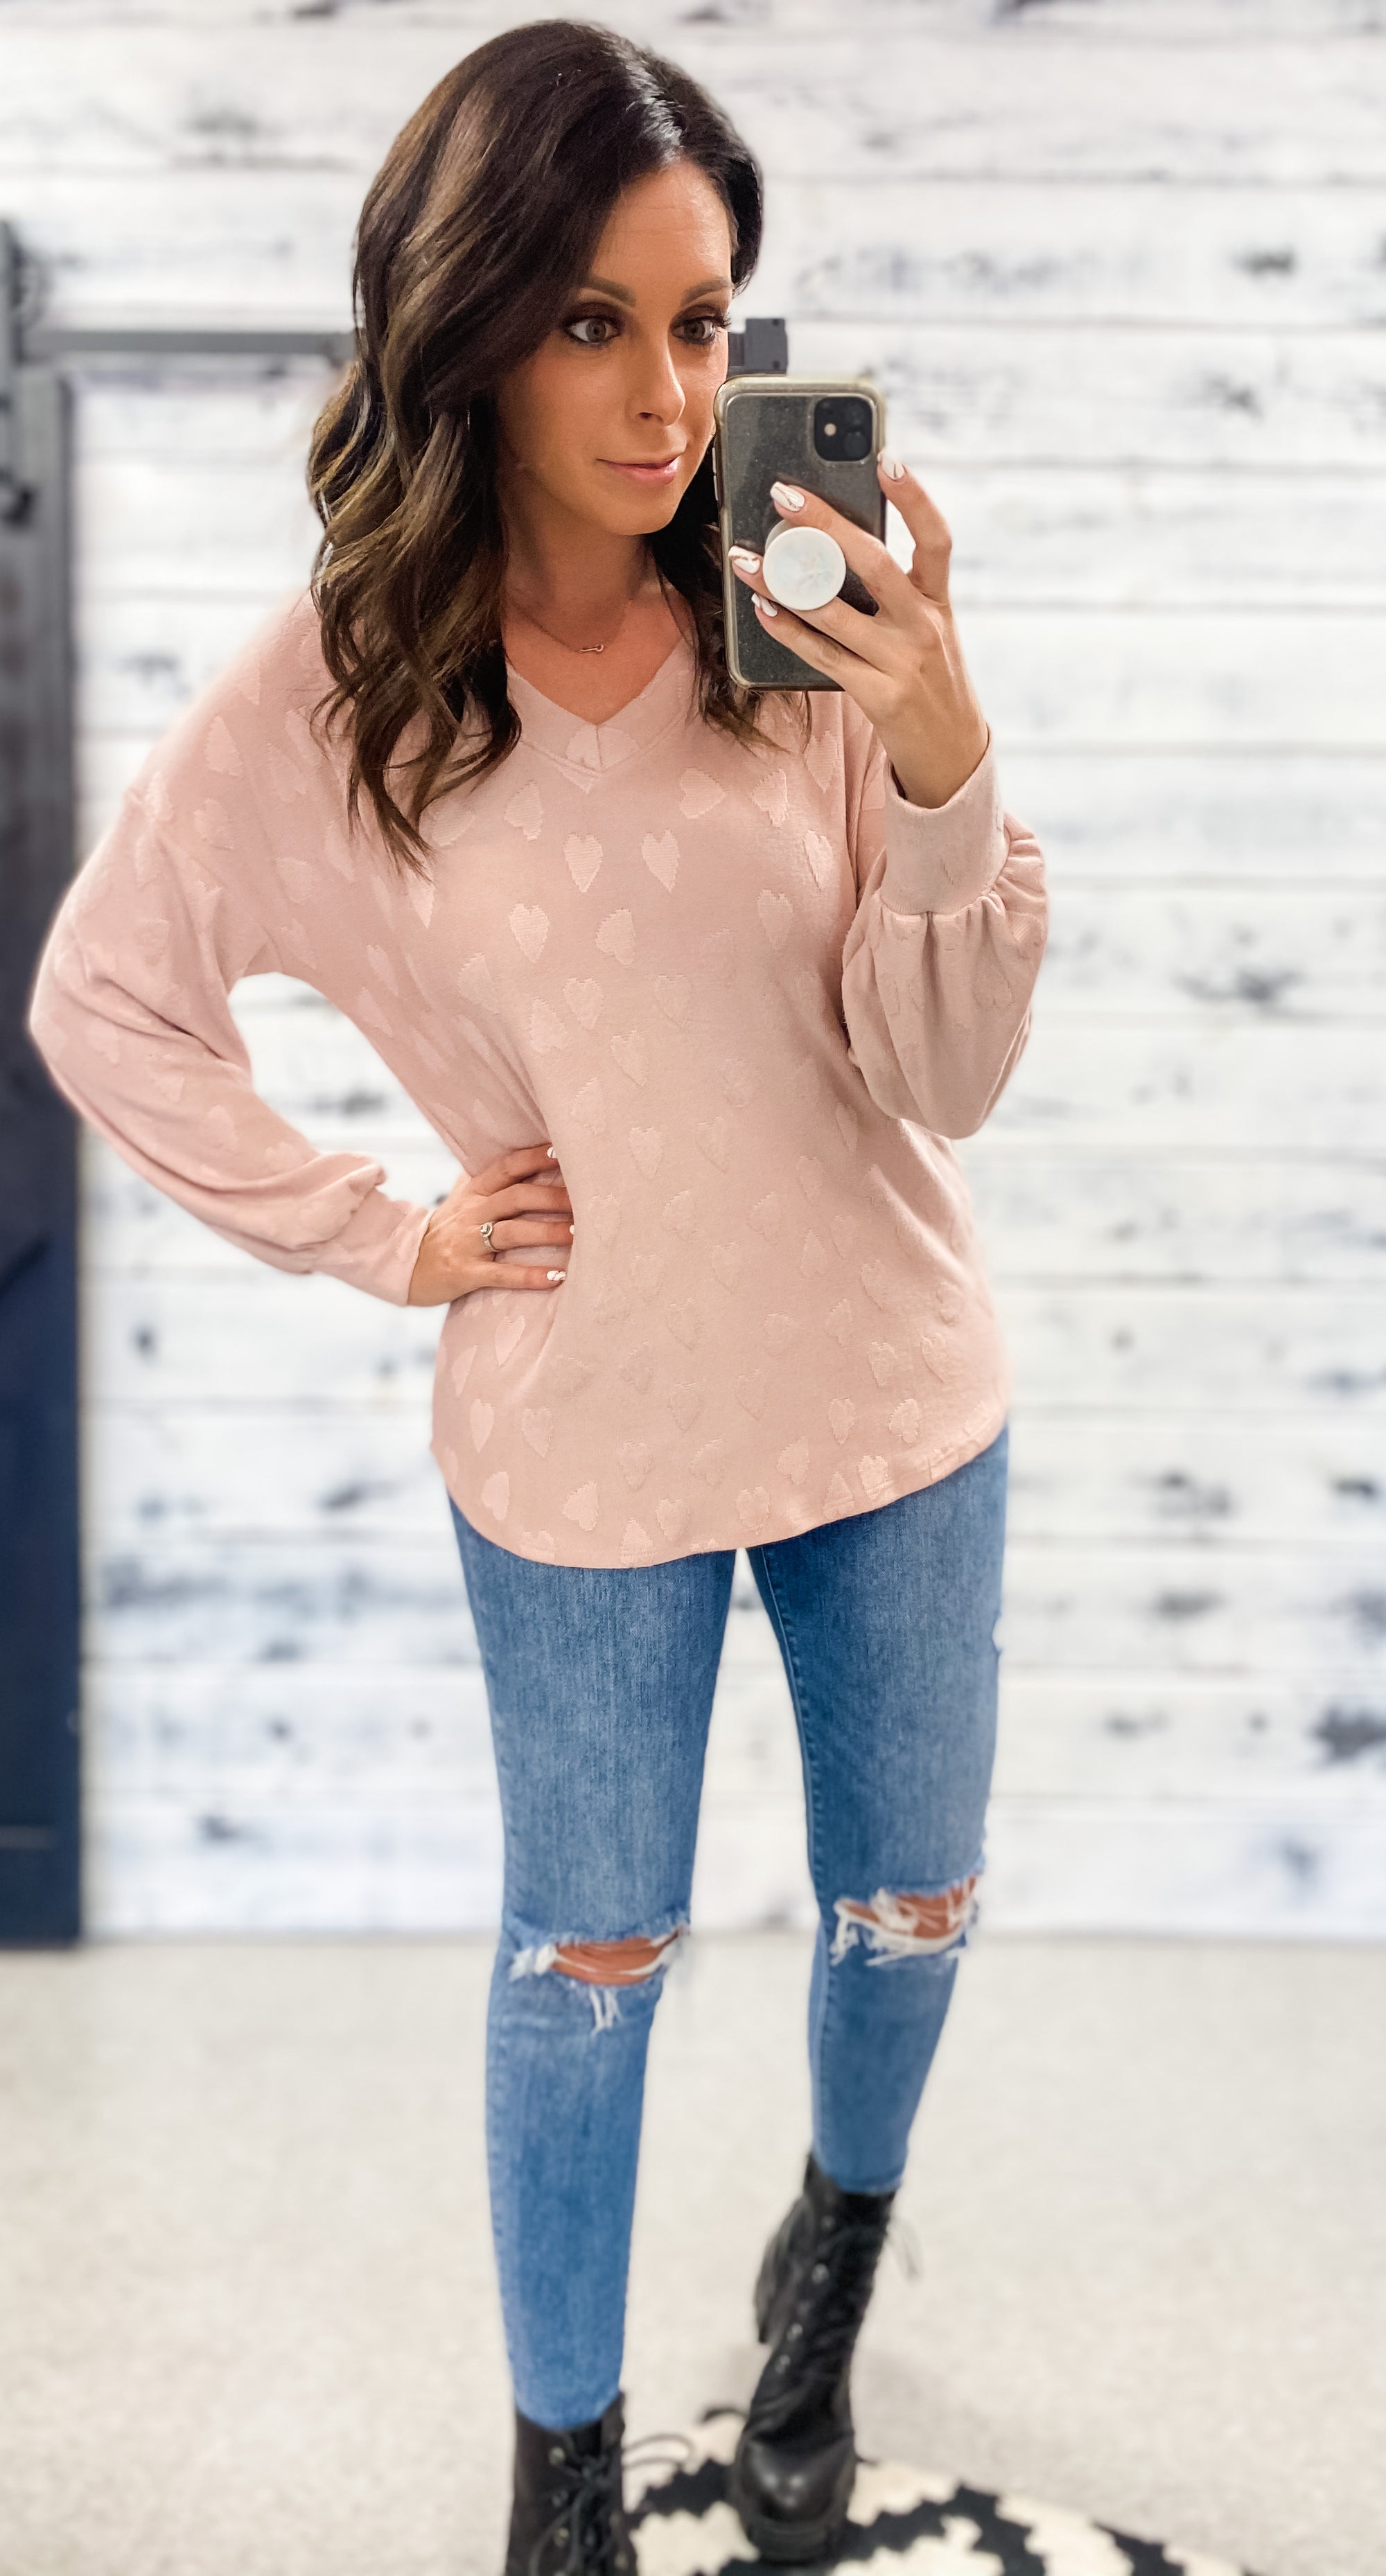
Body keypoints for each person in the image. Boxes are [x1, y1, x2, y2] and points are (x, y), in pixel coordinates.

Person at [29, 21, 1048, 2572]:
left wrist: (941, 753)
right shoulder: (335, 694)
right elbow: (107, 1001)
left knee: (910, 1913)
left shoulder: (806, 625)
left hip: (891, 1391)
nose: (669, 394)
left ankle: (825, 2285)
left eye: (702, 322)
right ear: (470, 321)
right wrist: (382, 1230)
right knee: (587, 1962)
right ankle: (563, 2487)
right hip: (580, 1429)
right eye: (594, 322)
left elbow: (941, 1077)